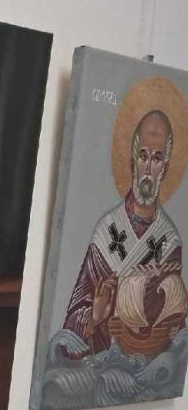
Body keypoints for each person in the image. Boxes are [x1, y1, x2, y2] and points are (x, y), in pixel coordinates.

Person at [61, 109, 183, 357]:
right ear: (132, 161)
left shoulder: (169, 242)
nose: (147, 169)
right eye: (143, 156)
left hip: (143, 370)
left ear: (165, 168)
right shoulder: (107, 231)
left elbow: (172, 326)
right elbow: (71, 326)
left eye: (157, 159)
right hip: (98, 364)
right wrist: (94, 317)